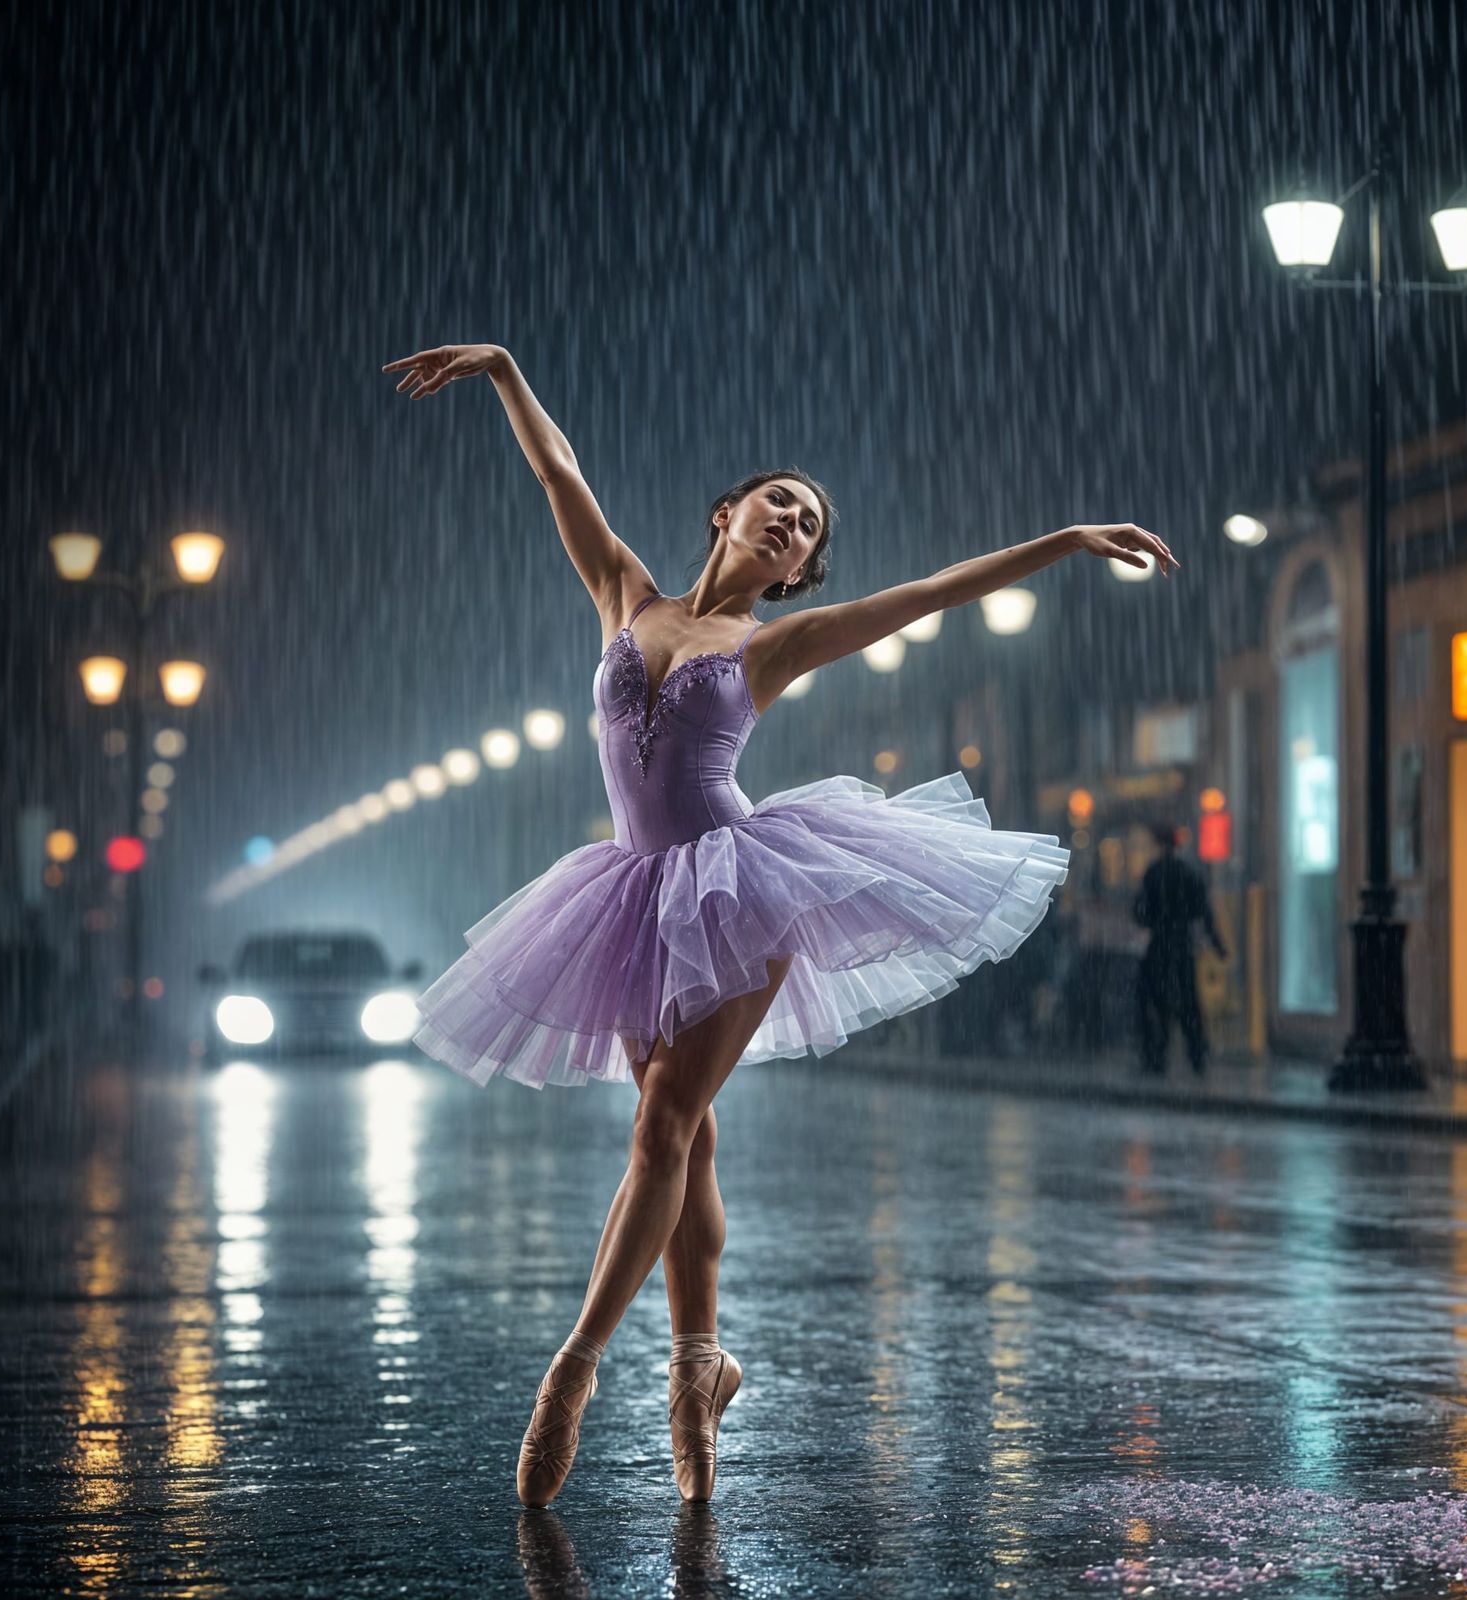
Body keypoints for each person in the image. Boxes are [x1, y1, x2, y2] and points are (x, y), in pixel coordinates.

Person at [380, 341, 1181, 1508]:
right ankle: (698, 1378)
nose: (793, 525)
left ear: (798, 572)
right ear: (728, 511)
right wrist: (504, 369)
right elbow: (560, 476)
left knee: (661, 1124)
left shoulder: (776, 642)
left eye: (807, 528)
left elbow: (939, 589)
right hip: (628, 899)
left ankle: (576, 1369)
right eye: (780, 505)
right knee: (687, 1141)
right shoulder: (627, 596)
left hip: (742, 885)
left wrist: (1066, 541)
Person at [1132, 821, 1228, 1076]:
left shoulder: (1153, 873)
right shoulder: (1188, 873)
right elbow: (1203, 911)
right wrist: (1217, 943)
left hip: (1159, 945)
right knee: (1188, 1003)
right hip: (1182, 945)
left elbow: (1140, 912)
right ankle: (1196, 1055)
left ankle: (1156, 1058)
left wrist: (1154, 920)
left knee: (1156, 1004)